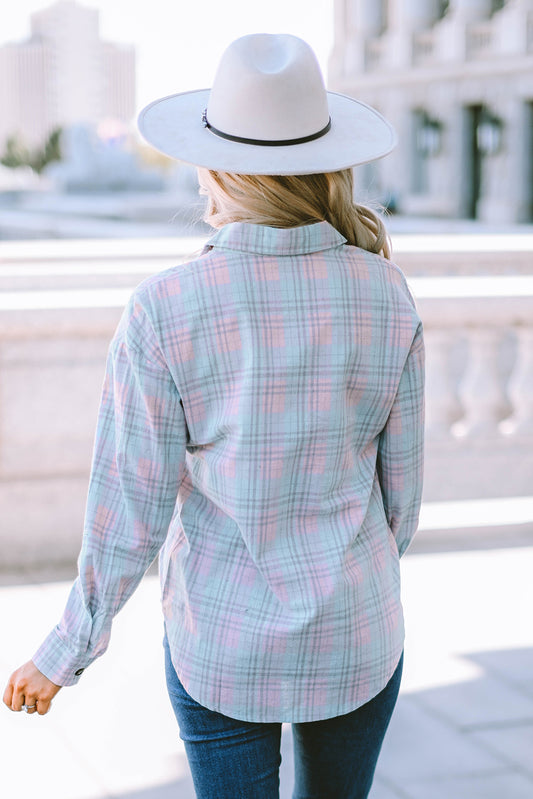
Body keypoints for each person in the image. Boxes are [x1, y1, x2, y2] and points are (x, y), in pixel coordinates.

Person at [3, 33, 424, 799]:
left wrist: (66, 650)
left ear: (221, 165)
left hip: (221, 645)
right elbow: (402, 501)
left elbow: (128, 508)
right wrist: (346, 584)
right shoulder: (385, 291)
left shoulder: (166, 308)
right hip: (358, 635)